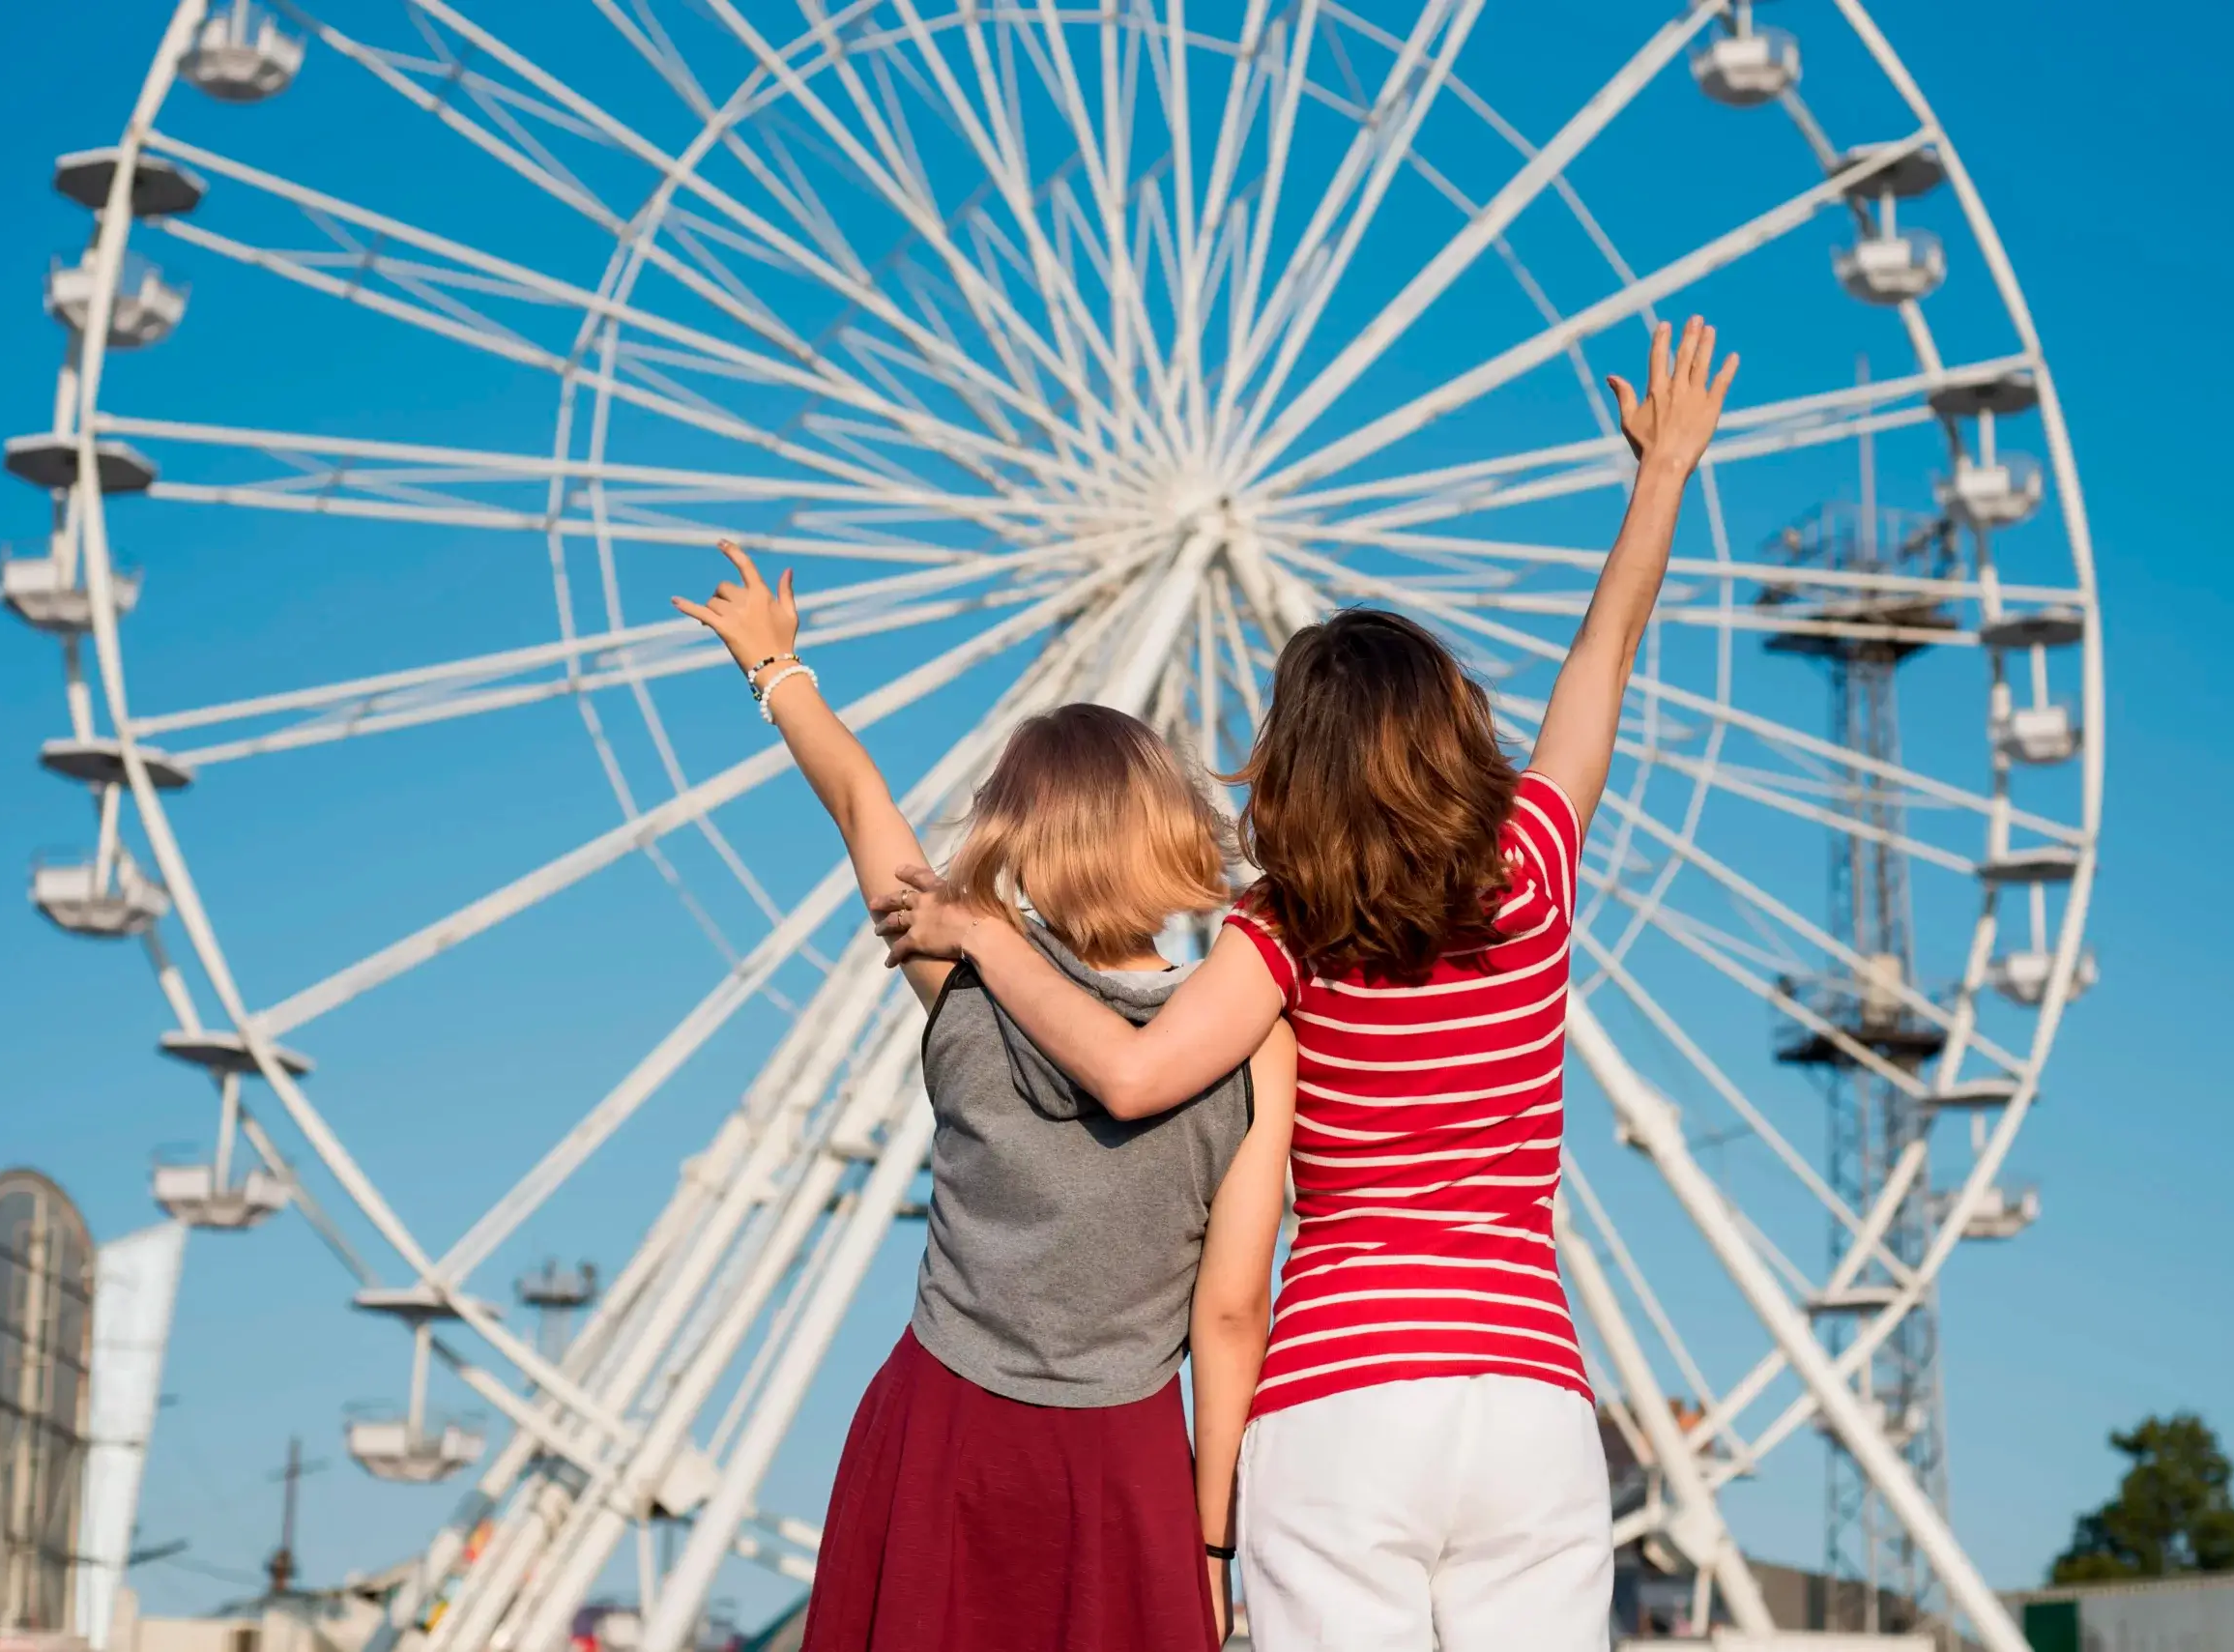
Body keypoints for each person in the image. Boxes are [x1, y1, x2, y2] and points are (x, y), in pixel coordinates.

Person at [871, 319, 1738, 1651]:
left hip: (1341, 1396)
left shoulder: (1285, 935)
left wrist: (986, 939)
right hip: (1528, 1399)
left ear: (1292, 769)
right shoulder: (1535, 871)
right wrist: (1664, 473)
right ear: (1456, 734)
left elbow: (1130, 1073)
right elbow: (1599, 663)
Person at [673, 543, 1296, 1652]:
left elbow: (863, 802)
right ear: (1175, 833)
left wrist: (775, 666)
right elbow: (1233, 1309)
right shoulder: (1252, 1044)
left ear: (1018, 841)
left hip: (941, 1424)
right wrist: (1211, 1549)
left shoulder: (963, 980)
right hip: (1124, 1457)